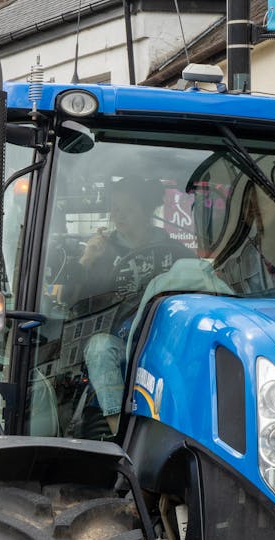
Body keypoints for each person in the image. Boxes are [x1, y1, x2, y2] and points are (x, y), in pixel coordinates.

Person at [70, 179, 193, 438]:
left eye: (127, 209)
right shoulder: (101, 252)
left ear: (147, 210)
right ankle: (121, 433)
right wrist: (87, 259)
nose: (118, 215)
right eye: (115, 209)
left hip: (167, 339)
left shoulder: (176, 251)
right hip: (121, 342)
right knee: (99, 347)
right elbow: (73, 301)